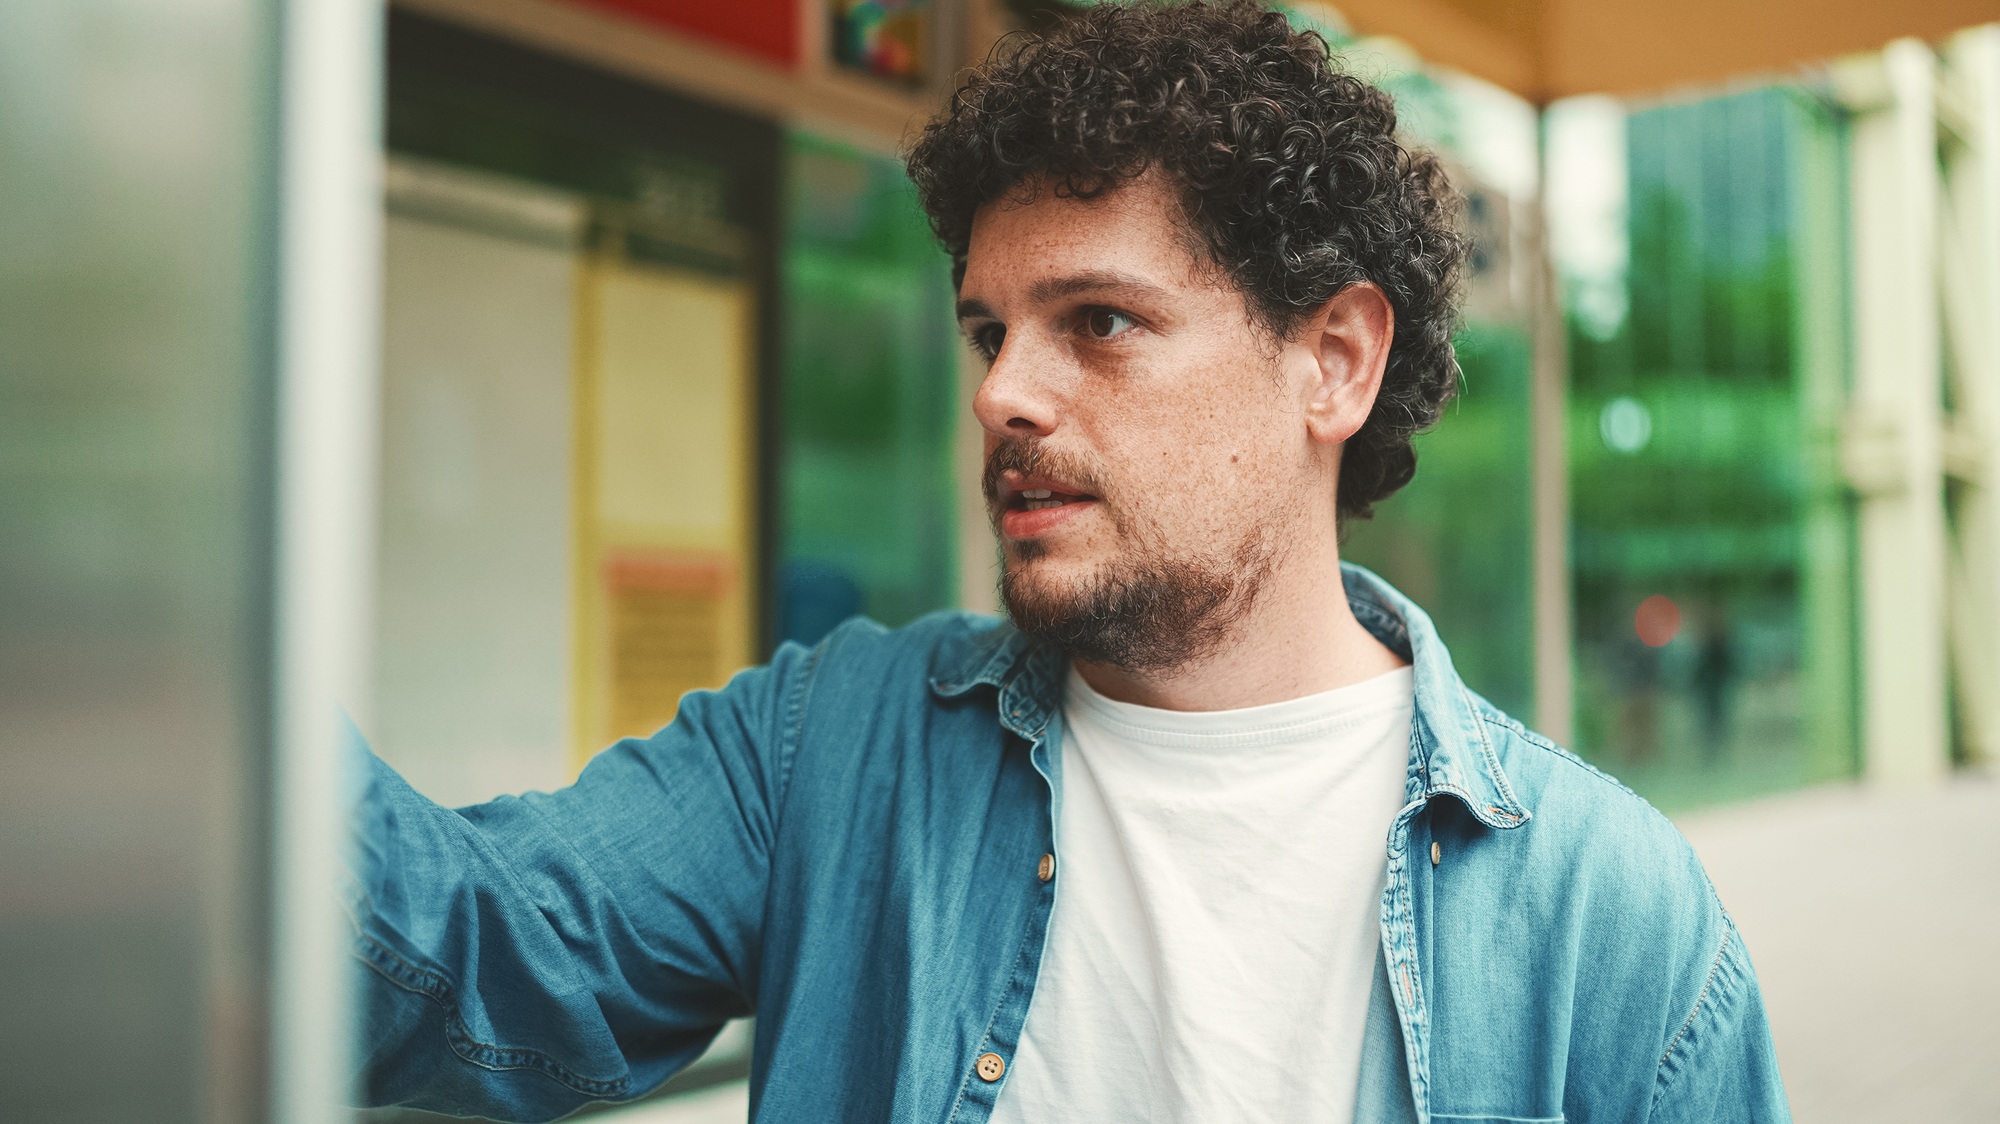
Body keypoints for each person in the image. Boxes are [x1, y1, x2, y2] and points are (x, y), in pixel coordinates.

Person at [348, 4, 1790, 1121]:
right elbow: (453, 951)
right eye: (989, 332)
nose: (1002, 394)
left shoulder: (1614, 927)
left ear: (1334, 364)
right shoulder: (828, 750)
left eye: (1097, 321)